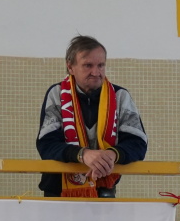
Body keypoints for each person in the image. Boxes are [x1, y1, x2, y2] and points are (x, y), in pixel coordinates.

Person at [36, 36, 147, 199]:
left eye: (101, 65)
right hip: (58, 192)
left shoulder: (120, 96)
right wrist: (83, 154)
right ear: (70, 67)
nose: (96, 72)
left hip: (104, 190)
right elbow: (46, 144)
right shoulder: (57, 94)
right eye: (88, 65)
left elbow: (137, 143)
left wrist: (112, 155)